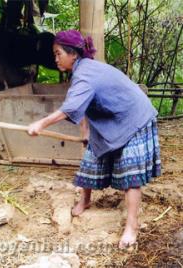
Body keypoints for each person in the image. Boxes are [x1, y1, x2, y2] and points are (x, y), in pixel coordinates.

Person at [27, 30, 161, 249]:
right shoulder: (82, 71)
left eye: (58, 53)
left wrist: (40, 124)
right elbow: (83, 106)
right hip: (110, 119)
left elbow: (69, 108)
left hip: (133, 118)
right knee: (91, 157)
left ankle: (132, 225)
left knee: (130, 174)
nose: (55, 58)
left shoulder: (86, 73)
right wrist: (86, 133)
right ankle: (85, 200)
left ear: (73, 54)